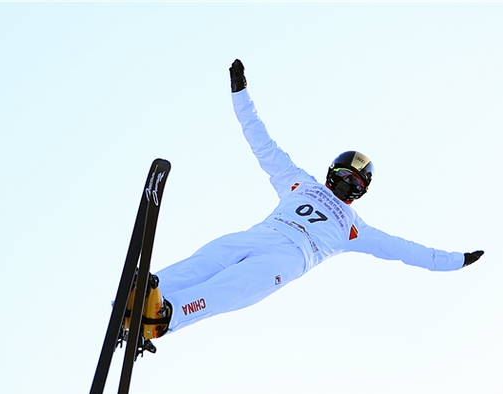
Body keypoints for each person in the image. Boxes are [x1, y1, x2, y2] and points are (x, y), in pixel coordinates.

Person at [135, 59, 483, 340]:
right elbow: (262, 144)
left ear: (361, 191)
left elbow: (405, 250)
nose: (346, 184)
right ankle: (145, 293)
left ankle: (167, 315)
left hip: (290, 256)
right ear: (332, 172)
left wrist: (455, 261)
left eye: (355, 182)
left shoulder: (354, 228)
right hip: (266, 232)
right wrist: (240, 94)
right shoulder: (299, 182)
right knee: (210, 258)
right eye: (344, 175)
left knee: (234, 286)